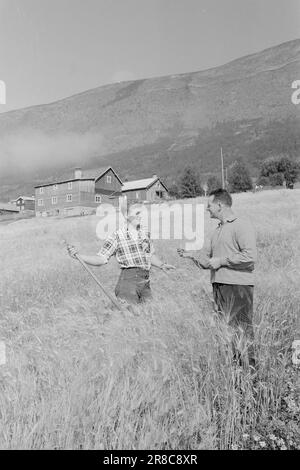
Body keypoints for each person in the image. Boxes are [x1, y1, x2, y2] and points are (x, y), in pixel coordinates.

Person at [178, 188, 257, 368]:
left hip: (238, 287)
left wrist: (221, 261)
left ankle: (251, 377)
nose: (207, 209)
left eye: (209, 205)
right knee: (227, 332)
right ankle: (236, 376)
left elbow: (250, 257)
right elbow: (209, 263)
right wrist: (191, 255)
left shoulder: (241, 225)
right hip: (219, 287)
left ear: (220, 205)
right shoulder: (217, 231)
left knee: (242, 332)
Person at [67, 204, 175, 305]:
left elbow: (150, 255)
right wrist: (79, 256)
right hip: (128, 283)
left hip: (145, 283)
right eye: (137, 213)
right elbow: (101, 259)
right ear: (127, 215)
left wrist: (162, 265)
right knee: (129, 319)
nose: (140, 216)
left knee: (148, 319)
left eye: (141, 214)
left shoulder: (145, 234)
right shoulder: (117, 236)